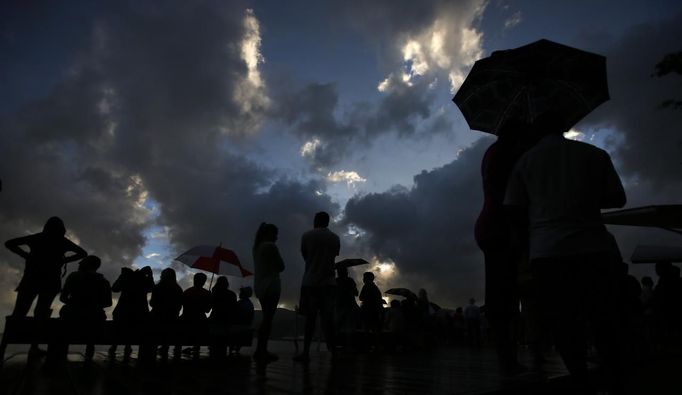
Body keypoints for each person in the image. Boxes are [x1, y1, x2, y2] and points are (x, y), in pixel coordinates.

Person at [504, 116, 627, 394]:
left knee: (564, 322)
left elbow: (513, 208)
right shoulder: (595, 154)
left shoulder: (525, 162)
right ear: (565, 124)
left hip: (548, 252)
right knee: (603, 320)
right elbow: (618, 198)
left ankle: (580, 381)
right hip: (593, 246)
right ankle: (615, 381)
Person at [475, 119, 538, 373]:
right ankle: (508, 358)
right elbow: (508, 196)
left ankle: (509, 356)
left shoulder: (495, 152)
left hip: (493, 226)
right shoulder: (506, 155)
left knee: (504, 292)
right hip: (501, 229)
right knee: (505, 294)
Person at [5, 217, 87, 321]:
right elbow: (83, 253)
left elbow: (9, 243)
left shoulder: (36, 238)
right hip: (51, 280)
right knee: (42, 311)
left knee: (20, 311)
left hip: (31, 278)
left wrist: (25, 255)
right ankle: (39, 335)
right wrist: (64, 261)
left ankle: (13, 334)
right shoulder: (62, 241)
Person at [294, 212, 340, 362]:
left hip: (310, 282)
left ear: (315, 221)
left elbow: (305, 256)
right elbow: (334, 255)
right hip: (329, 283)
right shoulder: (335, 238)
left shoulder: (306, 236)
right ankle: (333, 352)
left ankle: (306, 352)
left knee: (310, 319)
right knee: (328, 319)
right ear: (327, 222)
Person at [59, 255, 112, 360]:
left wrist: (75, 303)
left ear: (87, 264)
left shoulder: (73, 276)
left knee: (63, 329)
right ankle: (88, 358)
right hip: (95, 319)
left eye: (82, 261)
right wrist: (93, 305)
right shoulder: (104, 281)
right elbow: (108, 303)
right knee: (92, 333)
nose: (79, 263)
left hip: (72, 316)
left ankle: (61, 357)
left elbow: (63, 298)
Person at [252, 223, 285, 362]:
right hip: (271, 285)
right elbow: (282, 266)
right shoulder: (270, 246)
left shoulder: (257, 248)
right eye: (275, 234)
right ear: (268, 234)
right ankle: (262, 350)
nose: (276, 237)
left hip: (260, 286)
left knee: (266, 318)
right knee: (268, 319)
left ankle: (260, 349)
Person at [108, 266, 154, 360]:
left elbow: (115, 288)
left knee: (117, 330)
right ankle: (127, 347)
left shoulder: (126, 277)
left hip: (123, 310)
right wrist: (150, 276)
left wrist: (122, 276)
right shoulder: (144, 279)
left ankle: (114, 347)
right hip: (140, 312)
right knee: (132, 331)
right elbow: (152, 288)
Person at [150, 268, 183, 360]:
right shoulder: (178, 289)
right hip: (172, 320)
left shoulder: (158, 287)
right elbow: (179, 307)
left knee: (154, 343)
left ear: (163, 276)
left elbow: (152, 303)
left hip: (157, 319)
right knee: (166, 344)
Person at [181, 272, 212, 359]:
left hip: (185, 321)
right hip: (200, 323)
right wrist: (210, 298)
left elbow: (182, 306)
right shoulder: (206, 294)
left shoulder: (186, 291)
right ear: (204, 282)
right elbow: (207, 310)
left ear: (194, 280)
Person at [334, 266, 359, 347]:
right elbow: (356, 293)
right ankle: (349, 345)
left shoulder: (336, 281)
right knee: (350, 327)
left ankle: (335, 344)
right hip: (350, 306)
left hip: (339, 306)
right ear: (346, 272)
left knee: (337, 326)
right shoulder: (350, 280)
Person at [232, 286, 255, 355]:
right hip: (245, 327)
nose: (239, 294)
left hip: (237, 328)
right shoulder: (250, 304)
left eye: (241, 292)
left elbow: (234, 315)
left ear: (244, 294)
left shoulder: (240, 303)